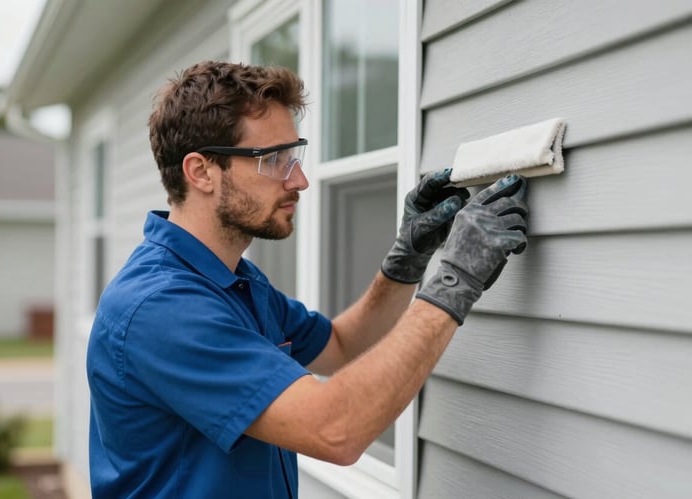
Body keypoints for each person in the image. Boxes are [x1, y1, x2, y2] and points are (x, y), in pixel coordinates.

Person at [86, 60, 528, 498]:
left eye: (293, 155)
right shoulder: (161, 307)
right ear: (200, 171)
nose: (299, 180)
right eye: (273, 160)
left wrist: (407, 261)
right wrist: (455, 279)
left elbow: (336, 347)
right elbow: (336, 430)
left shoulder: (234, 281)